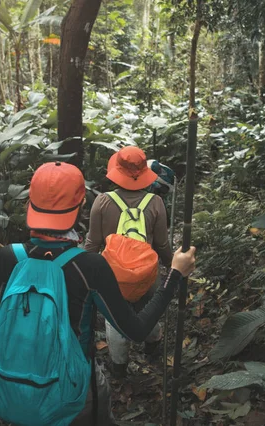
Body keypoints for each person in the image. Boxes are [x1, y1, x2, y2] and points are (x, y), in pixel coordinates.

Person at [0, 161, 196, 425]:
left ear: (29, 203)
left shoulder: (8, 257)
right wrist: (174, 275)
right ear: (81, 206)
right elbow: (136, 330)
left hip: (9, 388)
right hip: (72, 395)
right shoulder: (89, 266)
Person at [85, 146, 173, 377]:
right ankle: (152, 346)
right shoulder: (155, 203)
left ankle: (119, 367)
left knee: (115, 320)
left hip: (112, 274)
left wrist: (83, 271)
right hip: (147, 271)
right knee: (150, 308)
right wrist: (174, 267)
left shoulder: (102, 202)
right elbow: (162, 244)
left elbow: (93, 242)